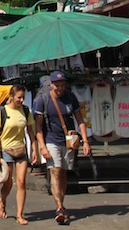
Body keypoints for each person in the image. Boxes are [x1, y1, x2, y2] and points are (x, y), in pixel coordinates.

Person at [33, 70, 90, 226]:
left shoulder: (70, 97)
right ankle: (59, 207)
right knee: (55, 171)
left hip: (67, 141)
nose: (59, 88)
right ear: (51, 85)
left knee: (64, 172)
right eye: (57, 85)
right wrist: (42, 147)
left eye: (62, 85)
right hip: (51, 140)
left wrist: (85, 141)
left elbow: (80, 120)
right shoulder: (42, 99)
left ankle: (61, 204)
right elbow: (38, 126)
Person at [0, 84, 39, 225]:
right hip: (6, 150)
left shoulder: (25, 111)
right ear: (11, 97)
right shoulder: (3, 111)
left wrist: (34, 149)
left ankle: (19, 214)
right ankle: (3, 201)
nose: (22, 100)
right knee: (8, 183)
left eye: (23, 97)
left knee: (21, 182)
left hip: (21, 150)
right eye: (19, 97)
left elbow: (31, 132)